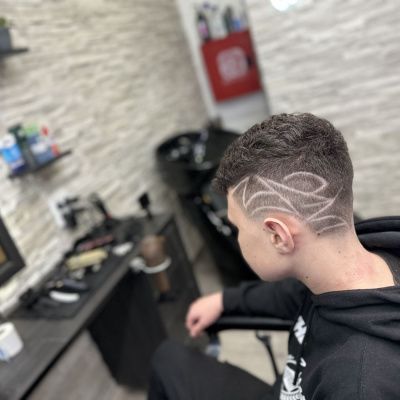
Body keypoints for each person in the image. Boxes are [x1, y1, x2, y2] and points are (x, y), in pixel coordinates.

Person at [148, 113, 400, 400]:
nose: (238, 238)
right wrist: (224, 301)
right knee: (168, 360)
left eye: (238, 227)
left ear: (278, 235)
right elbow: (292, 294)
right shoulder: (351, 259)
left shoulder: (360, 384)